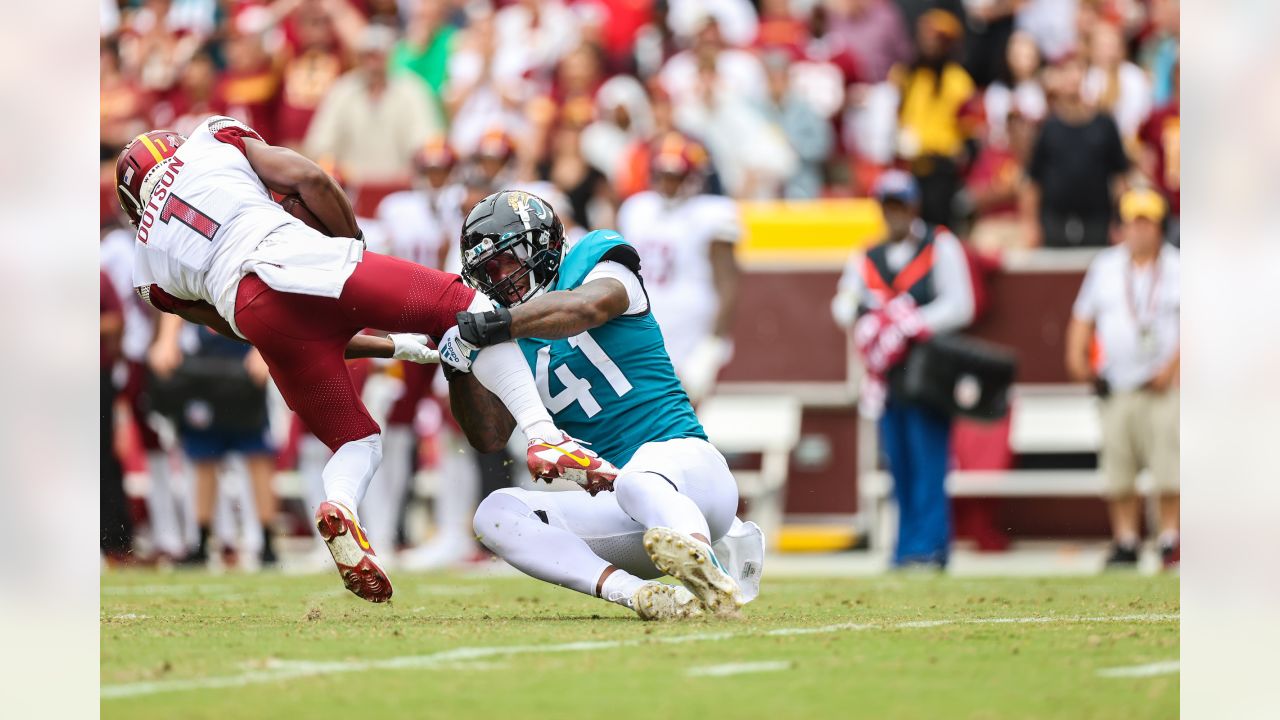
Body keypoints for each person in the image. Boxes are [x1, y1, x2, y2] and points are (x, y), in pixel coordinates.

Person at [114, 115, 618, 601]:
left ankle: (339, 504)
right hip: (295, 255)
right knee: (470, 305)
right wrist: (351, 249)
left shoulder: (147, 266)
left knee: (357, 438)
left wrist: (392, 343)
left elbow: (243, 326)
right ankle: (544, 437)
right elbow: (309, 178)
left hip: (252, 313)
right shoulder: (209, 139)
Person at [436, 189, 764, 620]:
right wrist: (457, 366)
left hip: (692, 473)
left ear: (540, 245)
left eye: (506, 261)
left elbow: (591, 306)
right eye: (488, 271)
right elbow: (490, 436)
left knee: (637, 480)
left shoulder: (596, 259)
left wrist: (499, 325)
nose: (500, 279)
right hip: (622, 511)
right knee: (494, 514)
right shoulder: (509, 335)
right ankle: (643, 597)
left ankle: (705, 561)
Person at [831, 170, 974, 568]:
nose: (894, 214)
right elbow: (843, 302)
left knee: (929, 460)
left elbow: (961, 304)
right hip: (888, 374)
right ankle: (904, 548)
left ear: (914, 206)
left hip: (929, 369)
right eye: (887, 206)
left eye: (900, 205)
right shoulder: (867, 257)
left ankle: (930, 546)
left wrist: (910, 323)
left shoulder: (940, 245)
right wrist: (873, 319)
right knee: (899, 463)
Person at [1065, 188, 1179, 569]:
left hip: (1163, 384)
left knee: (1168, 462)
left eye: (1147, 223)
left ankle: (1169, 536)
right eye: (1134, 223)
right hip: (1116, 382)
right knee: (1119, 466)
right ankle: (1126, 539)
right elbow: (1084, 316)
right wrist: (1078, 359)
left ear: (1160, 227)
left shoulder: (1179, 267)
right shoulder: (1106, 267)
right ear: (1123, 228)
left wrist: (1173, 368)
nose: (1140, 231)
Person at [616, 133, 741, 403]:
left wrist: (713, 344)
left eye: (676, 176)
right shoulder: (637, 209)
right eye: (663, 175)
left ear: (694, 177)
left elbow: (728, 284)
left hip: (691, 332)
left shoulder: (713, 214)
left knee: (682, 413)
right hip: (643, 324)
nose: (668, 184)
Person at [1021, 55, 1130, 248]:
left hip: (1098, 221)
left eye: (1077, 70)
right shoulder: (1047, 127)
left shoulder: (1104, 124)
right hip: (1054, 222)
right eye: (1066, 71)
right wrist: (1031, 225)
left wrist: (1119, 222)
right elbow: (1033, 181)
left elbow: (1119, 178)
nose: (1072, 77)